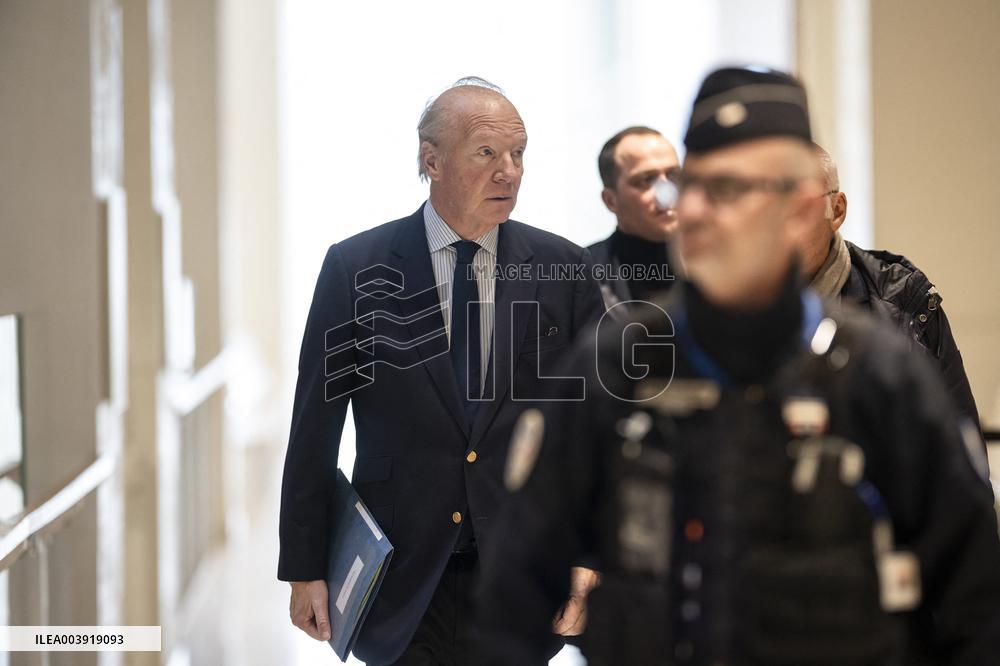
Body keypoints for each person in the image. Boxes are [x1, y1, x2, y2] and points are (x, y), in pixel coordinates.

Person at [477, 67, 1000, 665]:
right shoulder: (618, 361)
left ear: (803, 210)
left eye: (726, 189)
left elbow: (975, 605)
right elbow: (512, 602)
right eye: (690, 184)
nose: (693, 210)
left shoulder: (877, 375)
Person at [278, 76, 605, 666]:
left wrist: (589, 560)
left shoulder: (564, 268)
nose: (510, 171)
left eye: (518, 153)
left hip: (520, 576)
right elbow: (313, 429)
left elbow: (594, 435)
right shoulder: (356, 267)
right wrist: (304, 569)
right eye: (487, 153)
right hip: (398, 574)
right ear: (431, 159)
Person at [803, 144, 982, 430]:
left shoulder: (903, 303)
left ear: (837, 210)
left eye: (800, 206)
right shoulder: (722, 303)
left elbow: (958, 450)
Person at [588, 126, 681, 312]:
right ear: (610, 200)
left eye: (673, 175)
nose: (667, 194)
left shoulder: (722, 261)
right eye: (646, 180)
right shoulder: (582, 276)